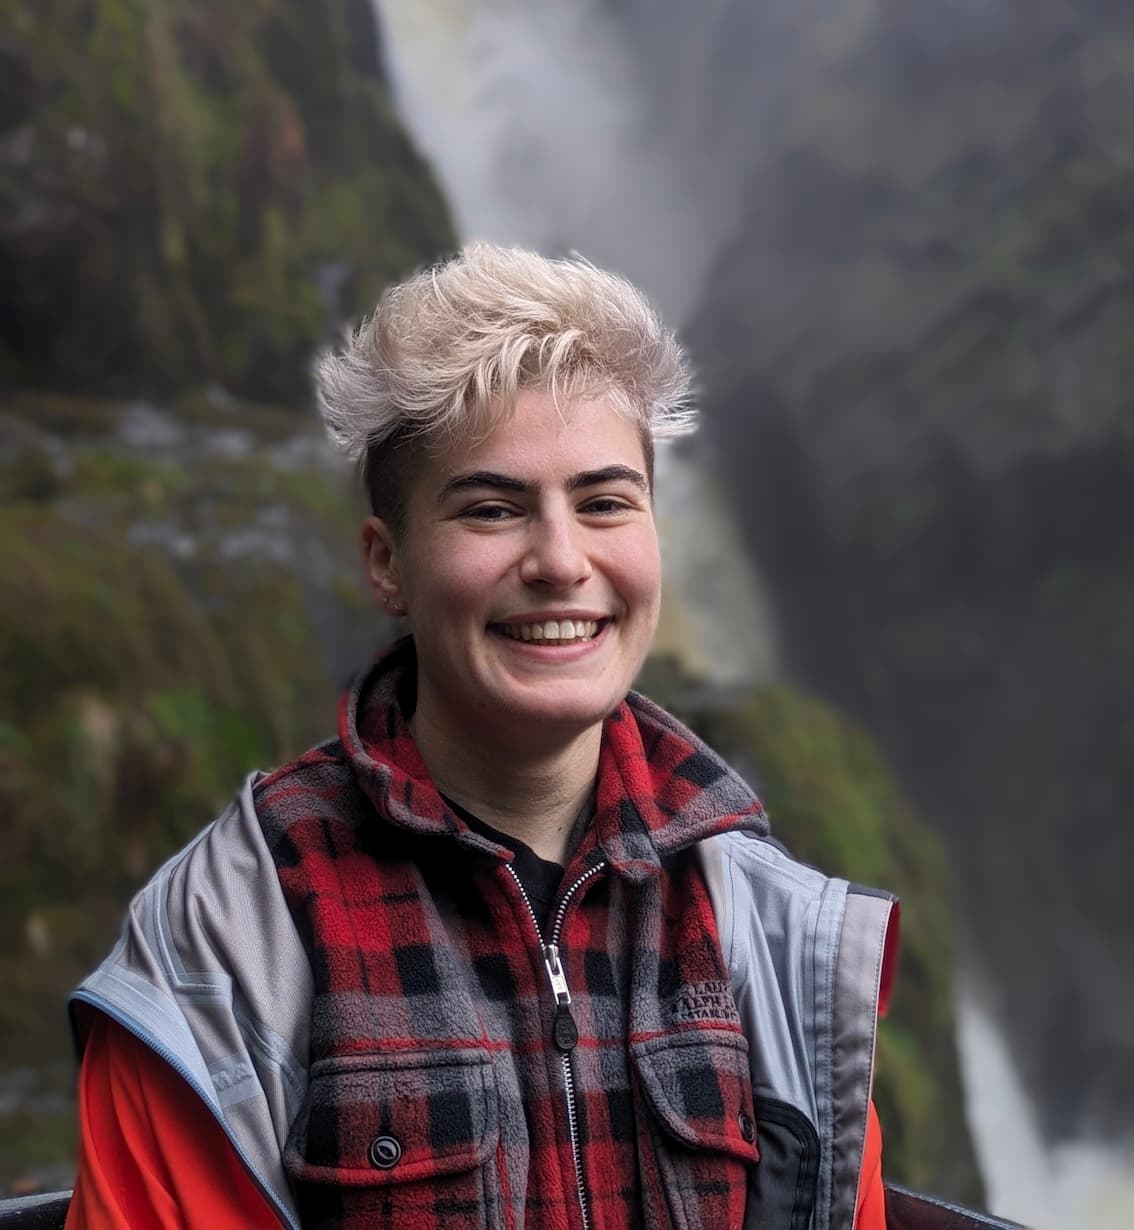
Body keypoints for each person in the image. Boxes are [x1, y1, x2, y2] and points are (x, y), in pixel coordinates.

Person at [65, 243, 895, 1229]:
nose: (560, 560)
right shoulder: (229, 938)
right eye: (493, 509)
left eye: (604, 503)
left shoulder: (765, 919)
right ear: (387, 565)